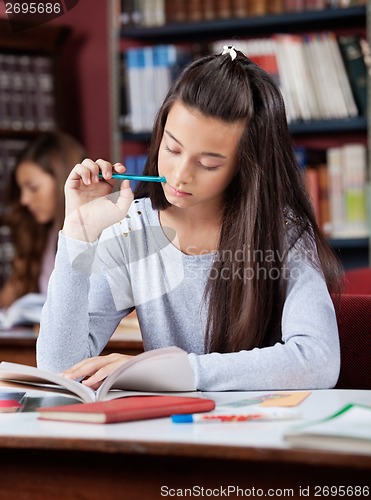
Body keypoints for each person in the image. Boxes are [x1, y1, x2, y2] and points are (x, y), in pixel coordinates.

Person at [37, 47, 343, 391]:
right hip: (171, 436)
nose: (181, 175)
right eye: (172, 148)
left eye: (209, 163)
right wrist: (78, 233)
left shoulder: (283, 233)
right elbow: (60, 370)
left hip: (262, 434)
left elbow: (318, 361)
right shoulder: (134, 232)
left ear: (245, 166)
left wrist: (174, 370)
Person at [0, 130, 85, 309]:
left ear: (64, 180)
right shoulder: (43, 234)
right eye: (21, 189)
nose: (24, 200)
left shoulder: (100, 235)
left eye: (33, 187)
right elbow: (7, 299)